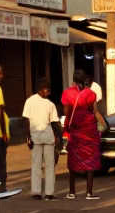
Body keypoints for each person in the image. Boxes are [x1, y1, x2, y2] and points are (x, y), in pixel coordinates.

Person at [61, 70, 104, 200]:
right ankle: (89, 193)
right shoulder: (91, 94)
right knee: (90, 159)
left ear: (73, 80)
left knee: (73, 159)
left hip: (75, 129)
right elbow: (94, 110)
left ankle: (72, 192)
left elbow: (67, 113)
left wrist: (67, 129)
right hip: (89, 130)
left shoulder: (67, 93)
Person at [22, 81, 62, 201]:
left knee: (39, 165)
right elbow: (55, 123)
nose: (48, 92)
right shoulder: (46, 103)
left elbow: (26, 120)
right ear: (40, 90)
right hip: (42, 137)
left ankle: (39, 192)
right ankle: (45, 193)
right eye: (46, 90)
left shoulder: (38, 102)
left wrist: (28, 136)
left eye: (49, 90)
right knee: (45, 165)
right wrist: (59, 137)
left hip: (40, 137)